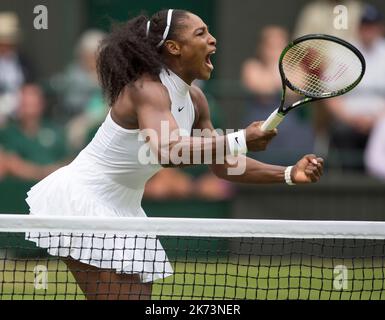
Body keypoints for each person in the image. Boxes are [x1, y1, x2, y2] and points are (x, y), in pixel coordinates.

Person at [25, 9, 324, 300]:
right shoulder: (147, 89)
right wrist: (241, 138)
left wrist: (287, 174)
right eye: (201, 33)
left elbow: (224, 167)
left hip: (126, 209)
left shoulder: (196, 100)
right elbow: (169, 150)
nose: (213, 40)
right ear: (174, 47)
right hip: (81, 200)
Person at [241, 26, 315, 164]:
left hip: (292, 127)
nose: (275, 51)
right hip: (259, 123)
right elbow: (262, 91)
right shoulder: (251, 66)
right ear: (261, 47)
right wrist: (277, 67)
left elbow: (295, 92)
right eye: (271, 46)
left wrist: (277, 68)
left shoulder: (297, 69)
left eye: (280, 46)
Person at [325, 4, 385, 171]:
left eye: (372, 26)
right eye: (365, 25)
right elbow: (331, 97)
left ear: (379, 28)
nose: (368, 30)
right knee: (342, 133)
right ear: (358, 27)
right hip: (348, 124)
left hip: (381, 123)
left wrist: (377, 120)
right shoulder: (341, 53)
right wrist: (352, 120)